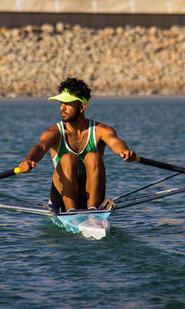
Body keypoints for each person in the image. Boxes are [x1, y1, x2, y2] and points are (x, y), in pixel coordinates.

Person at [18, 77, 136, 212]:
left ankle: (93, 210)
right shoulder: (54, 132)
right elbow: (40, 147)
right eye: (61, 103)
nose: (62, 107)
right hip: (62, 195)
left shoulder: (101, 130)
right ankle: (71, 211)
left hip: (91, 194)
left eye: (68, 104)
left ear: (82, 107)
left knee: (93, 157)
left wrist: (125, 151)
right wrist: (28, 159)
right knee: (68, 158)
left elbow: (116, 142)